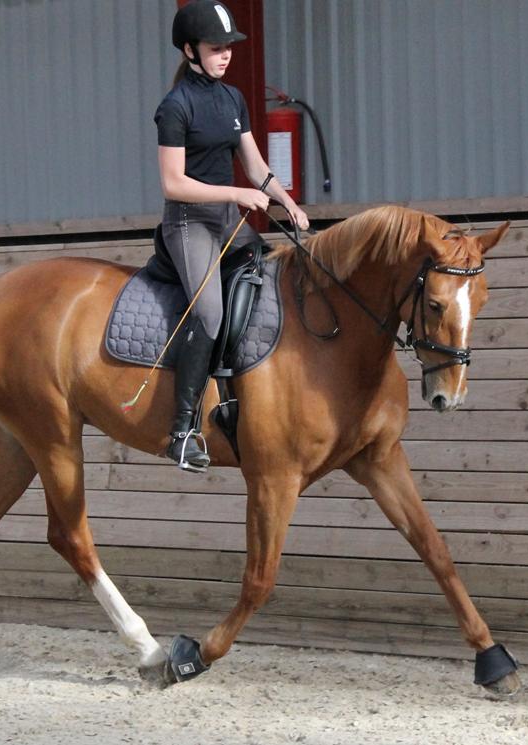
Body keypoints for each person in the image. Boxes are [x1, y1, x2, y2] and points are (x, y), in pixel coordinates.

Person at [156, 0, 310, 473]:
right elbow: (173, 183)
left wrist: (288, 201)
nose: (225, 55)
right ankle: (183, 431)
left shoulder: (233, 99)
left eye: (228, 47)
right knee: (208, 311)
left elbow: (256, 166)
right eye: (215, 48)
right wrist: (236, 193)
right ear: (190, 49)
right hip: (190, 223)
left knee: (269, 282)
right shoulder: (175, 107)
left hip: (227, 220)